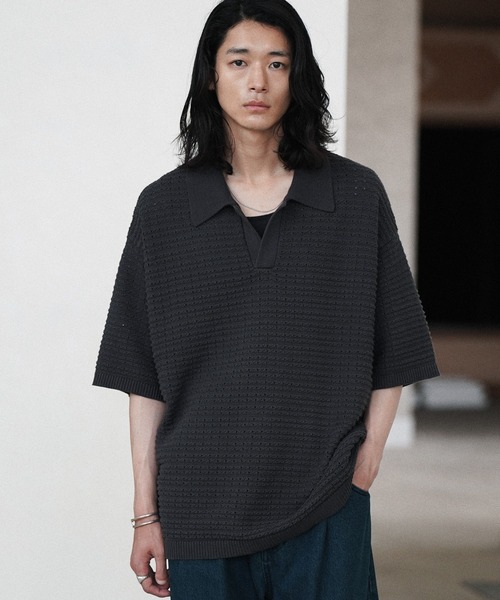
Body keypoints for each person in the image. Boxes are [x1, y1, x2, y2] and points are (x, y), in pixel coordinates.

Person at [93, 0, 439, 598]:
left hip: (326, 502)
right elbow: (142, 376)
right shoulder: (164, 209)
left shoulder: (355, 196)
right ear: (211, 74)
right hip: (200, 508)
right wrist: (146, 513)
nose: (258, 80)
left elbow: (398, 344)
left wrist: (365, 465)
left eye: (277, 63)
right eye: (240, 61)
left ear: (296, 76)